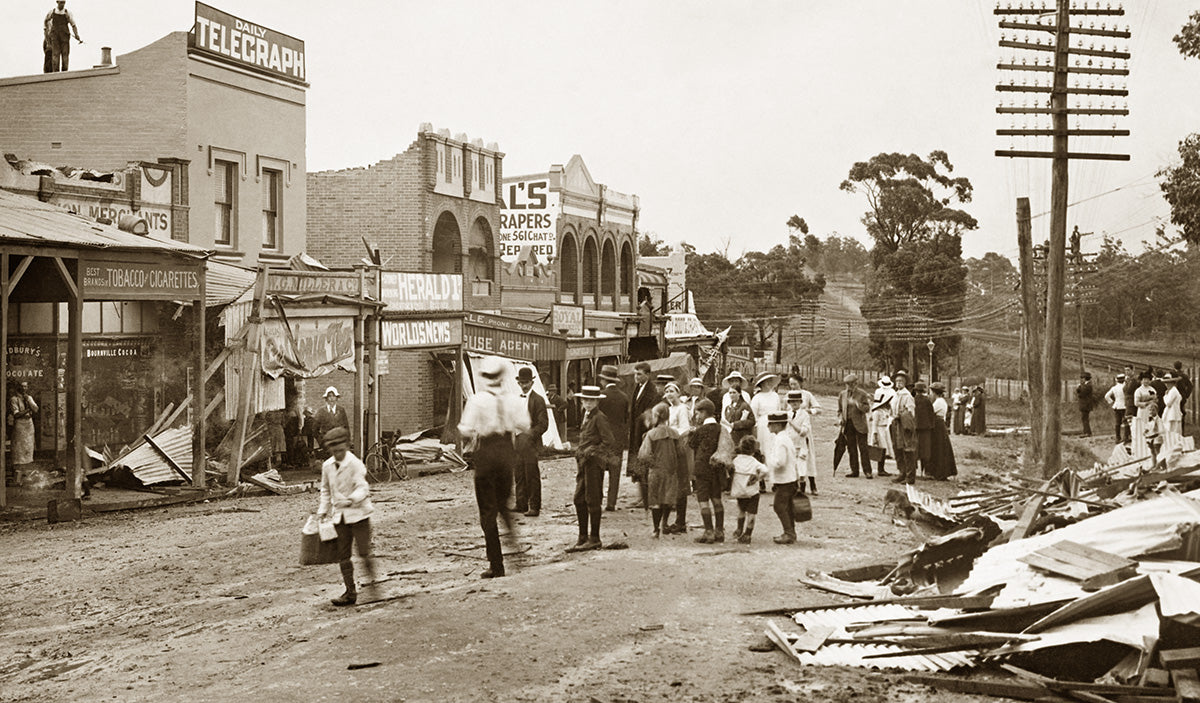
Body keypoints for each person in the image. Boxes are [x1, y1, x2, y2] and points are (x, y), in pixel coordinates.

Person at [458, 357, 530, 579]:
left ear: (484, 377)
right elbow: (525, 425)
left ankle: (496, 564)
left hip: (487, 453)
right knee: (503, 504)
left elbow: (465, 429)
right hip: (506, 452)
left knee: (487, 511)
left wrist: (476, 431)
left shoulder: (477, 400)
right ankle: (514, 543)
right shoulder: (514, 400)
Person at [316, 427, 376, 606]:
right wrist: (322, 510)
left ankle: (373, 587)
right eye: (334, 451)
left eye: (340, 450)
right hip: (340, 516)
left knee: (364, 552)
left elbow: (363, 487)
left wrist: (351, 499)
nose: (337, 454)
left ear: (347, 446)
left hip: (359, 514)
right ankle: (350, 592)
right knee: (343, 555)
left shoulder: (355, 464)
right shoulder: (327, 466)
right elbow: (325, 490)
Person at [569, 386, 618, 551]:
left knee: (593, 499)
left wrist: (593, 451)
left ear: (597, 401)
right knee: (579, 499)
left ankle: (595, 538)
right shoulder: (586, 415)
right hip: (583, 463)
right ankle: (582, 537)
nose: (588, 403)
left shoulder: (599, 417)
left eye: (591, 400)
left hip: (594, 464)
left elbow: (609, 441)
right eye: (585, 400)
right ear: (581, 401)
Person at [637, 403, 682, 538]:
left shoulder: (651, 434)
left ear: (656, 416)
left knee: (655, 500)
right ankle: (665, 523)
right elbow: (681, 453)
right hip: (671, 471)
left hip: (656, 471)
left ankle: (656, 529)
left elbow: (644, 455)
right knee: (667, 498)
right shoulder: (675, 433)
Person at [513, 367, 548, 517]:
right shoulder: (516, 399)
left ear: (532, 383)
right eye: (521, 383)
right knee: (519, 474)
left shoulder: (538, 400)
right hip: (517, 441)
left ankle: (534, 506)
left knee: (531, 475)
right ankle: (521, 504)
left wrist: (530, 434)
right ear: (518, 383)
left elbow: (543, 424)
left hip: (530, 442)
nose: (524, 385)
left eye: (526, 382)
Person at [689, 399, 725, 543]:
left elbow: (692, 444)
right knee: (716, 498)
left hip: (702, 467)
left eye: (698, 413)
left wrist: (692, 432)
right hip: (716, 468)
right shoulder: (720, 428)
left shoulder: (700, 430)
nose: (697, 416)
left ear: (704, 412)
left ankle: (708, 531)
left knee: (703, 500)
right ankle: (719, 531)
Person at [629, 361, 661, 510]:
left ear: (647, 375)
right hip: (636, 433)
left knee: (645, 464)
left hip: (644, 434)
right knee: (639, 465)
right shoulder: (638, 388)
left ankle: (647, 498)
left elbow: (650, 414)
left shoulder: (651, 392)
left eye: (639, 374)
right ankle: (642, 496)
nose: (636, 377)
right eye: (635, 374)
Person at [597, 365, 629, 512]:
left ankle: (597, 500)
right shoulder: (624, 397)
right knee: (615, 473)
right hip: (618, 440)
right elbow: (625, 419)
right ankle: (611, 503)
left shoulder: (601, 396)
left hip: (602, 439)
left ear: (604, 380)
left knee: (598, 471)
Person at [663, 382, 693, 535]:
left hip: (679, 447)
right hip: (668, 448)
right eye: (667, 391)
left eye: (672, 391)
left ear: (678, 393)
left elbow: (685, 429)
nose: (669, 394)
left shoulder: (682, 408)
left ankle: (680, 521)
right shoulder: (668, 409)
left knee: (680, 484)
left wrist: (672, 435)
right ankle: (666, 521)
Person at [764, 411, 798, 545]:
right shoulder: (784, 438)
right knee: (787, 507)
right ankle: (791, 532)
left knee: (779, 506)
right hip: (789, 478)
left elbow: (780, 462)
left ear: (778, 425)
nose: (768, 426)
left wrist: (768, 459)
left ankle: (788, 533)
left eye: (770, 424)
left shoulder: (780, 440)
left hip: (785, 480)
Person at [729, 436, 769, 545]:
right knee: (751, 513)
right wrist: (758, 477)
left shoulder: (736, 460)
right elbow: (765, 470)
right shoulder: (754, 461)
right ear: (753, 450)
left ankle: (739, 529)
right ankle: (748, 534)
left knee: (741, 510)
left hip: (739, 490)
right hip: (752, 492)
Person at [837, 374, 872, 478]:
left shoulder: (862, 394)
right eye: (847, 384)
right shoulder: (842, 394)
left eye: (851, 384)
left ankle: (867, 471)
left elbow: (867, 409)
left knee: (863, 448)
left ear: (856, 383)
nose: (849, 386)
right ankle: (854, 471)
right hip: (848, 425)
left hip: (860, 425)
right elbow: (839, 410)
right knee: (851, 448)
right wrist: (840, 418)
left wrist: (857, 404)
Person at [890, 371, 918, 485]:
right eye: (897, 381)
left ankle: (910, 476)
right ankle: (902, 473)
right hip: (896, 424)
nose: (898, 383)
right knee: (898, 449)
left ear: (905, 382)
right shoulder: (895, 395)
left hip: (905, 426)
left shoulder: (908, 396)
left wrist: (901, 415)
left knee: (908, 450)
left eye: (901, 381)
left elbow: (911, 412)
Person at [785, 391, 816, 495]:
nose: (794, 403)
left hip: (801, 444)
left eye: (796, 401)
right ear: (789, 403)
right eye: (792, 401)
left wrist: (792, 423)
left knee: (802, 467)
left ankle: (803, 488)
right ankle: (794, 488)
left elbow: (804, 431)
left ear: (800, 402)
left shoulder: (804, 415)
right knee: (792, 467)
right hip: (790, 444)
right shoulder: (787, 414)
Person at [867, 375, 896, 478]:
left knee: (884, 449)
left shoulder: (885, 410)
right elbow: (874, 424)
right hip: (879, 430)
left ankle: (881, 469)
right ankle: (880, 469)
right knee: (881, 449)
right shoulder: (877, 412)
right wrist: (875, 434)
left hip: (884, 429)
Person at [927, 382, 958, 480]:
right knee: (942, 448)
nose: (931, 394)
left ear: (935, 392)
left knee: (939, 448)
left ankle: (939, 472)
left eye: (931, 392)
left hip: (938, 425)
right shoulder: (942, 401)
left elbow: (931, 412)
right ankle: (940, 472)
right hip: (940, 425)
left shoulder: (938, 402)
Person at [44, 0, 81, 73]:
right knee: (55, 55)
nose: (62, 4)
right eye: (61, 2)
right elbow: (45, 21)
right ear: (57, 2)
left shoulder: (67, 13)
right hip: (55, 37)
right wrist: (48, 31)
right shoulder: (52, 12)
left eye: (64, 2)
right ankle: (56, 73)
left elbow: (73, 25)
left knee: (65, 55)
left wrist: (76, 34)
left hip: (64, 37)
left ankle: (64, 73)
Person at [750, 372, 783, 451]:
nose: (769, 383)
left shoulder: (775, 396)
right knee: (764, 447)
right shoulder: (757, 398)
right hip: (762, 426)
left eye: (770, 381)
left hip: (775, 424)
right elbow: (753, 416)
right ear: (761, 383)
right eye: (767, 381)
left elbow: (779, 410)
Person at [8, 382, 38, 467]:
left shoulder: (29, 397)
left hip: (29, 423)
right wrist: (28, 409)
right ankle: (18, 464)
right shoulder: (14, 399)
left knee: (29, 443)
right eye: (22, 386)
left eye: (25, 386)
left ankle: (28, 463)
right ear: (18, 387)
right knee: (19, 445)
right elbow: (16, 414)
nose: (23, 388)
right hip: (20, 424)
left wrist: (28, 400)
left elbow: (36, 409)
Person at [912, 381, 935, 478]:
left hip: (915, 428)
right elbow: (931, 414)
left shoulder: (913, 400)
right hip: (926, 429)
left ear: (916, 391)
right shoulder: (927, 401)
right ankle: (927, 472)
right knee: (926, 450)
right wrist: (931, 426)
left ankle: (913, 471)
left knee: (915, 450)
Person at [1105, 373, 1129, 443]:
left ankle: (1118, 437)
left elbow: (1106, 396)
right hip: (1124, 406)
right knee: (1126, 422)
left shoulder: (1114, 388)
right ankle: (1126, 437)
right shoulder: (1126, 387)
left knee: (1117, 422)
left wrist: (1112, 402)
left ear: (1117, 380)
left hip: (1117, 406)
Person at [1174, 361, 1194, 430]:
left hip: (1173, 396)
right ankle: (1181, 429)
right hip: (1182, 396)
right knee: (1181, 412)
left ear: (1174, 367)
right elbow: (1190, 386)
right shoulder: (1184, 376)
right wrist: (1186, 395)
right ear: (1181, 366)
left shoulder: (1173, 374)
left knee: (1174, 412)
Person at [1163, 372, 1183, 439]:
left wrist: (1165, 396)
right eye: (1166, 383)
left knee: (1173, 430)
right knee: (1170, 429)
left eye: (1168, 383)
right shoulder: (1171, 391)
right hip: (1171, 413)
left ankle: (1173, 442)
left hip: (1173, 413)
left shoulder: (1173, 391)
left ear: (1173, 383)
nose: (1166, 385)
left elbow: (1168, 403)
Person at [1075, 373, 1095, 437]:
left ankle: (1087, 432)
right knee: (1085, 418)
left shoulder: (1087, 386)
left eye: (1082, 378)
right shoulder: (1086, 385)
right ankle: (1087, 432)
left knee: (1085, 418)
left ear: (1085, 378)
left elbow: (1081, 394)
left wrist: (1078, 387)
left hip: (1085, 405)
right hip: (1086, 404)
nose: (1082, 379)